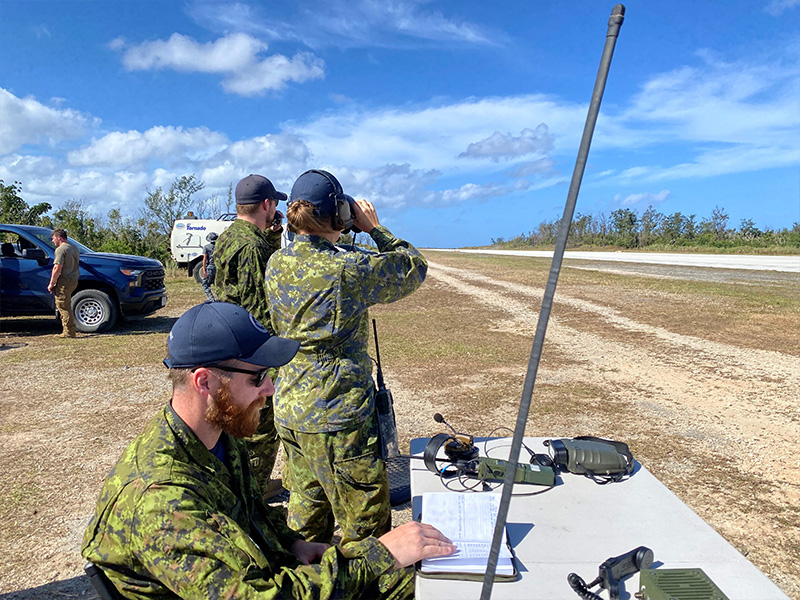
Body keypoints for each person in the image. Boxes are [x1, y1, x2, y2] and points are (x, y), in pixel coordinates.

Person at [81, 301, 454, 599]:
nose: (271, 388)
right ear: (204, 381)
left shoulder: (215, 434)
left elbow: (249, 512)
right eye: (257, 376)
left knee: (428, 576)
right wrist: (379, 555)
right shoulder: (160, 501)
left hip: (265, 575)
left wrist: (292, 543)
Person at [265, 170, 428, 544]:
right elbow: (411, 266)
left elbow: (327, 254)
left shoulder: (277, 264)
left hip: (291, 409)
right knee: (366, 530)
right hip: (338, 418)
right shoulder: (347, 271)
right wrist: (374, 228)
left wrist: (342, 234)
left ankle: (308, 573)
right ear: (339, 213)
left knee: (306, 522)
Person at [213, 174, 286, 498]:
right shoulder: (251, 246)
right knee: (260, 426)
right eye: (274, 205)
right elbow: (259, 307)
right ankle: (253, 493)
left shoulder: (230, 237)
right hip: (250, 352)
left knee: (234, 422)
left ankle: (244, 484)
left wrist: (273, 236)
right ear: (266, 204)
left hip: (229, 342)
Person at [47, 228, 80, 338]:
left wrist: (52, 283)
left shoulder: (60, 250)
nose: (52, 241)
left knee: (63, 305)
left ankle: (69, 332)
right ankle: (69, 330)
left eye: (53, 238)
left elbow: (57, 267)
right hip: (74, 279)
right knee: (67, 304)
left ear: (59, 238)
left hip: (65, 280)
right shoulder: (74, 248)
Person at [200, 231, 218, 301]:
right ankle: (219, 298)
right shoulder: (218, 247)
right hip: (217, 267)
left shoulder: (206, 247)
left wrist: (204, 270)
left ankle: (211, 299)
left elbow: (204, 259)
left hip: (210, 267)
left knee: (205, 284)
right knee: (216, 284)